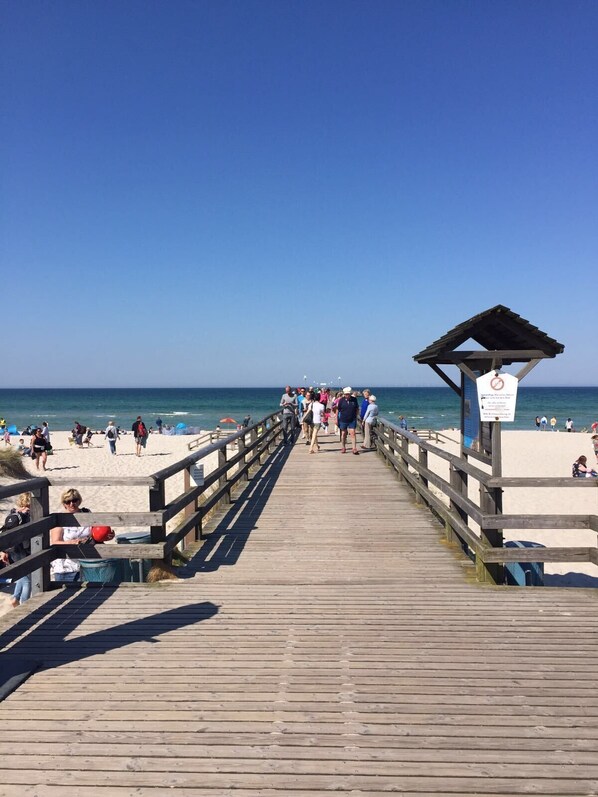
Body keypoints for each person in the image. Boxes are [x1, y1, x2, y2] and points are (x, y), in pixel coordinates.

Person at [50, 489, 93, 582]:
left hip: (86, 565)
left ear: (79, 501)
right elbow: (55, 542)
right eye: (67, 501)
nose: (71, 504)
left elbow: (96, 532)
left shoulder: (87, 514)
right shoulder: (59, 519)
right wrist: (71, 542)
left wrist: (107, 535)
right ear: (64, 503)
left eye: (74, 500)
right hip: (66, 567)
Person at [0, 492, 32, 607]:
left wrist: (3, 551)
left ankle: (15, 597)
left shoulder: (12, 515)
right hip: (21, 550)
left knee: (21, 576)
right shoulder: (25, 516)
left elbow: (4, 532)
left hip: (11, 550)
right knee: (27, 579)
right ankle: (24, 604)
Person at [337, 387, 360, 455]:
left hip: (352, 419)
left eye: (348, 394)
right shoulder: (341, 400)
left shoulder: (354, 400)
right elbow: (338, 410)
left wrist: (356, 416)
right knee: (344, 434)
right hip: (343, 419)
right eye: (346, 394)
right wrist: (336, 418)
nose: (347, 395)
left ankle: (354, 448)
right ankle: (343, 447)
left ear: (350, 394)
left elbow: (357, 408)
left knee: (353, 433)